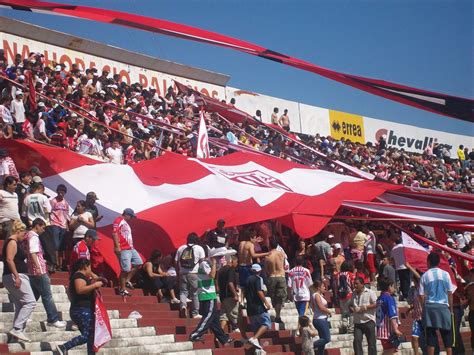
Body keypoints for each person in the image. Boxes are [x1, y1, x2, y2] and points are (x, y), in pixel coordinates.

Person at [23, 218, 66, 328]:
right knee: (47, 295)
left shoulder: (27, 235)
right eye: (43, 227)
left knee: (33, 296)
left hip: (32, 270)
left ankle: (24, 316)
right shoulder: (34, 237)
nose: (43, 230)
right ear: (37, 225)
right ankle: (53, 318)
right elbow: (33, 253)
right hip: (39, 270)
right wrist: (38, 267)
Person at [56, 259, 103, 355]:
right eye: (90, 267)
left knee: (91, 337)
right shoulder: (78, 276)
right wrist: (94, 285)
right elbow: (80, 290)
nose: (91, 270)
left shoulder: (81, 277)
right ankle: (64, 346)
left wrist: (93, 278)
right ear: (85, 267)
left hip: (82, 309)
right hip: (81, 310)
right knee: (87, 335)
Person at [188, 250, 233, 345]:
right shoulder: (204, 264)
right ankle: (195, 334)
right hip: (207, 295)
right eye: (218, 257)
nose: (220, 259)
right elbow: (212, 275)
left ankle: (223, 339)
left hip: (209, 294)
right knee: (208, 317)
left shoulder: (210, 264)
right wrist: (214, 263)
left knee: (214, 320)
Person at [1, 220, 36, 342]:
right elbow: (9, 260)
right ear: (19, 231)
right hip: (16, 276)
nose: (24, 236)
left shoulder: (12, 242)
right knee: (30, 302)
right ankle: (17, 328)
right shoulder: (12, 242)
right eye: (23, 233)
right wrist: (16, 276)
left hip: (13, 275)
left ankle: (17, 330)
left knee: (20, 304)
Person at [419, 252, 455, 355]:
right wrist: (451, 309)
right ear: (439, 262)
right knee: (447, 334)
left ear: (428, 262)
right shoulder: (446, 274)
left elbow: (421, 295)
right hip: (443, 306)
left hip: (429, 307)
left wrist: (424, 307)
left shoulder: (425, 276)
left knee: (430, 335)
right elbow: (449, 293)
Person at [112, 208, 143, 296]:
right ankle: (122, 289)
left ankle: (127, 280)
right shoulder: (119, 220)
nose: (132, 218)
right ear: (127, 215)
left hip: (131, 248)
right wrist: (117, 246)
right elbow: (114, 233)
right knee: (125, 269)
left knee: (138, 263)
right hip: (123, 248)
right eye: (131, 216)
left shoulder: (126, 223)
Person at [175, 232, 206, 318]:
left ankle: (183, 306)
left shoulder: (181, 248)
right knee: (195, 293)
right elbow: (202, 262)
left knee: (183, 291)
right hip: (194, 273)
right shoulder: (199, 248)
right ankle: (195, 313)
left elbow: (176, 262)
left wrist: (178, 273)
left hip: (182, 273)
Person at [237, 231, 269, 304]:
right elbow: (253, 255)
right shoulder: (250, 244)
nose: (255, 240)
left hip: (241, 266)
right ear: (251, 238)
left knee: (242, 285)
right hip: (247, 267)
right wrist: (265, 253)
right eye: (254, 238)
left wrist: (255, 241)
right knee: (249, 284)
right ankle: (249, 300)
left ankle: (241, 301)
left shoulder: (241, 243)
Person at [245, 263, 272, 350]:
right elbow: (259, 291)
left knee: (256, 327)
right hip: (258, 306)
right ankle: (254, 338)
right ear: (259, 271)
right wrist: (266, 302)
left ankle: (257, 345)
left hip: (250, 307)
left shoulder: (247, 279)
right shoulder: (258, 279)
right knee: (266, 323)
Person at [349, 277, 377, 355]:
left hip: (368, 321)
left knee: (371, 344)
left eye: (357, 284)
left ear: (362, 284)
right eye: (354, 284)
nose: (355, 285)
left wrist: (366, 307)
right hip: (358, 322)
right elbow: (351, 305)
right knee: (357, 342)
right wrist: (352, 309)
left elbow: (377, 304)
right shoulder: (353, 293)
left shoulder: (370, 292)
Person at [376, 276, 402, 354]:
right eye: (393, 286)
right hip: (387, 331)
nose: (394, 288)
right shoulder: (389, 298)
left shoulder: (380, 298)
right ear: (389, 287)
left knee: (390, 350)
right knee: (389, 351)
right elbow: (392, 315)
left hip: (380, 329)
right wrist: (396, 329)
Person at [264, 236, 287, 323]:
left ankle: (276, 313)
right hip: (281, 275)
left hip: (272, 276)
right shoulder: (281, 254)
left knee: (273, 297)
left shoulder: (268, 256)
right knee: (280, 298)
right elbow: (284, 264)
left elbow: (266, 269)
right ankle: (278, 315)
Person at [48, 184, 70, 270]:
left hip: (63, 225)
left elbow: (67, 215)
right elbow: (49, 212)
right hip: (54, 224)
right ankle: (55, 263)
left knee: (62, 246)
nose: (61, 193)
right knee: (55, 245)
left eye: (63, 192)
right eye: (60, 192)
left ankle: (60, 265)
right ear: (57, 192)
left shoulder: (66, 203)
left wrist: (67, 226)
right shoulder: (53, 201)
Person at [217, 254, 240, 332]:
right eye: (236, 262)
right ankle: (235, 328)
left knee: (224, 315)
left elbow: (216, 281)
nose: (237, 264)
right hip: (230, 296)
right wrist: (235, 294)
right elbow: (230, 283)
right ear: (232, 261)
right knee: (233, 313)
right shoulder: (231, 270)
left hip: (222, 296)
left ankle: (220, 332)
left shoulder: (220, 270)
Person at [311, 280, 332, 355]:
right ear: (318, 288)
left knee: (322, 339)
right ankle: (311, 345)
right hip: (320, 319)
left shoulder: (319, 295)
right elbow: (320, 307)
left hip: (321, 318)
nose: (324, 288)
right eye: (323, 286)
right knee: (327, 338)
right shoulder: (316, 295)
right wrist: (328, 311)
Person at [0, 175, 20, 239]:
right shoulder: (1, 193)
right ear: (8, 184)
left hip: (17, 221)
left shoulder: (15, 194)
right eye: (14, 185)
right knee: (10, 240)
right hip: (7, 222)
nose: (16, 187)